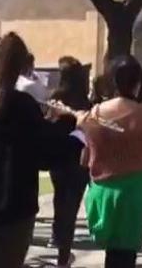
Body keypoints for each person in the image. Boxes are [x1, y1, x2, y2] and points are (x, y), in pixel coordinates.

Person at [0, 32, 85, 267]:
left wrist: (58, 122)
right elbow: (47, 155)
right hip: (12, 211)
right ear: (24, 67)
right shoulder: (22, 105)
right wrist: (80, 132)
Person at [80, 55, 142, 268]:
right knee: (126, 255)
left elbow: (85, 158)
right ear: (137, 83)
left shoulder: (94, 115)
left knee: (112, 252)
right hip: (133, 195)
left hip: (102, 193)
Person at [48, 56, 93, 267]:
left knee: (60, 197)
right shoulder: (86, 100)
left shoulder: (57, 96)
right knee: (72, 205)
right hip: (78, 157)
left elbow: (48, 122)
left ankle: (57, 236)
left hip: (58, 155)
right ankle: (63, 251)